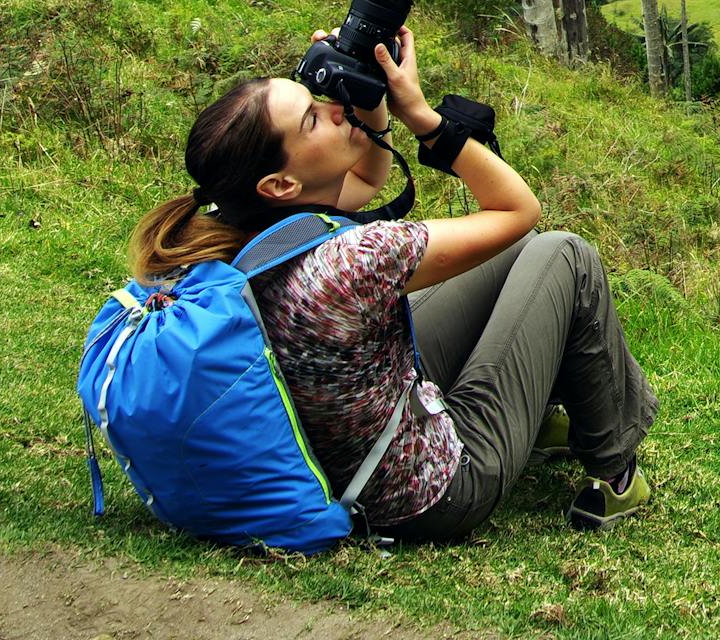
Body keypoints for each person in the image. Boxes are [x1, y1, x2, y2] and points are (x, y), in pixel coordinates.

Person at [128, 26, 657, 539]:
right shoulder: (356, 259)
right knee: (564, 253)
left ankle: (542, 411)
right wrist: (423, 120)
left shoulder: (219, 236)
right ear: (282, 183)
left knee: (523, 254)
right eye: (313, 119)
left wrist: (369, 112)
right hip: (430, 494)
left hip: (345, 454)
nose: (333, 109)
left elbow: (363, 182)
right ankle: (615, 472)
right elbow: (518, 209)